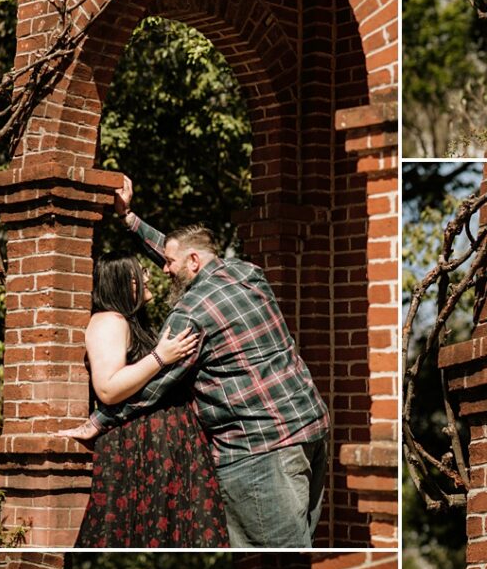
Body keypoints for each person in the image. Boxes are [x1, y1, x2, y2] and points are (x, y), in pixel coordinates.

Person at [62, 177, 330, 548]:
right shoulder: (248, 274)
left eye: (168, 263)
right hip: (310, 429)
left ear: (192, 261)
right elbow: (182, 259)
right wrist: (130, 221)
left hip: (259, 452)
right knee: (300, 543)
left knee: (276, 552)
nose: (162, 269)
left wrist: (99, 420)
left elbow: (157, 384)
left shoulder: (191, 312)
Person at [73, 255, 229, 548]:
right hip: (138, 447)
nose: (147, 277)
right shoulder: (109, 320)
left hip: (163, 445)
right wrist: (160, 357)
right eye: (138, 274)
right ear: (119, 282)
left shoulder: (133, 322)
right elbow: (107, 388)